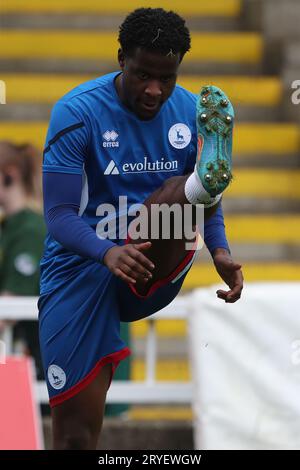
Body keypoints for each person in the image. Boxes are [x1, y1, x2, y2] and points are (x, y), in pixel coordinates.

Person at [39, 8, 244, 450]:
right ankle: (193, 186)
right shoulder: (76, 113)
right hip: (80, 266)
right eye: (142, 75)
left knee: (174, 195)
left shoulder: (191, 113)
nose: (154, 90)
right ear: (120, 60)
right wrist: (105, 252)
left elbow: (213, 205)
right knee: (74, 436)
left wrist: (220, 251)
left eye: (166, 79)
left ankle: (195, 182)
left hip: (155, 250)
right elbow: (57, 216)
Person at [0, 141, 46, 380]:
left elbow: (9, 307)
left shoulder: (30, 229)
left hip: (43, 367)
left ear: (10, 175)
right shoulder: (10, 226)